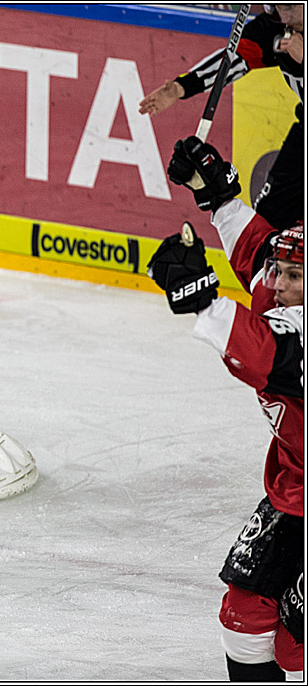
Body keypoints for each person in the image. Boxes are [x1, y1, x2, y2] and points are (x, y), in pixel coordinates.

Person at [147, 135, 303, 681]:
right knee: (244, 620)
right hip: (295, 492)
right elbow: (259, 253)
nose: (277, 285)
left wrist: (206, 301)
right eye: (282, 273)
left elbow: (266, 354)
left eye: (293, 277)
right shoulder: (283, 289)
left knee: (294, 647)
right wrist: (217, 196)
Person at [139, 4, 304, 231]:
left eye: (290, 7)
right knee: (269, 219)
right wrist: (181, 87)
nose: (284, 17)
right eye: (276, 7)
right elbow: (234, 59)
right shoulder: (275, 28)